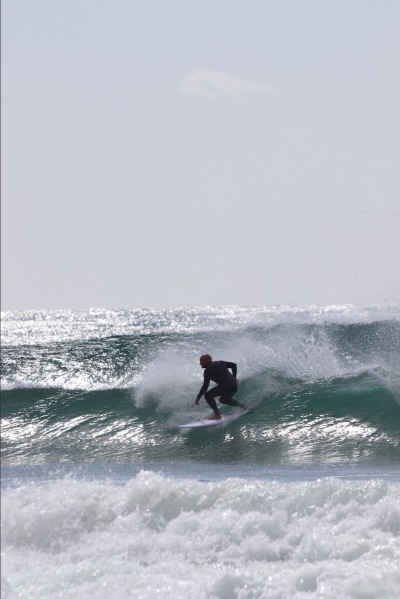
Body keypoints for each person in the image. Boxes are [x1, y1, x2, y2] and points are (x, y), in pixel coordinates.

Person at [195, 354, 248, 420]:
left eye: (201, 361)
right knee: (223, 400)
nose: (200, 363)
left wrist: (198, 397)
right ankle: (243, 406)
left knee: (207, 395)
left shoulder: (207, 371)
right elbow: (234, 365)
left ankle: (217, 414)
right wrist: (234, 378)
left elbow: (205, 386)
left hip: (226, 387)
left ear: (207, 361)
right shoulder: (220, 362)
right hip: (234, 386)